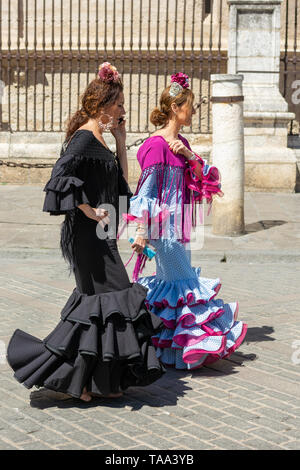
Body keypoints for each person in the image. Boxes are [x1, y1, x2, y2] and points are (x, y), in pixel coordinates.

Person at [6, 63, 165, 401]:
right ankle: (75, 379)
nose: (123, 111)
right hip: (88, 239)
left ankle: (90, 382)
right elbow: (60, 176)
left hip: (101, 236)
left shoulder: (100, 138)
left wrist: (121, 142)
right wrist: (88, 210)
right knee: (111, 300)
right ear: (103, 105)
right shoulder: (83, 138)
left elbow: (121, 184)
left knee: (102, 307)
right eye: (119, 104)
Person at [123, 73, 248, 370]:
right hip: (162, 229)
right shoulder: (155, 146)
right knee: (185, 283)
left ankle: (164, 346)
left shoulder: (181, 142)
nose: (193, 112)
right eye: (190, 106)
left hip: (180, 226)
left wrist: (190, 155)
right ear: (176, 108)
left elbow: (206, 181)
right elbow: (146, 192)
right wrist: (141, 231)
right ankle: (195, 343)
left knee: (172, 284)